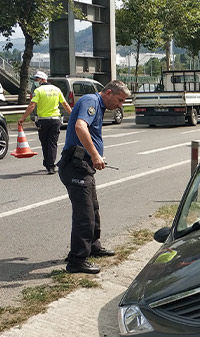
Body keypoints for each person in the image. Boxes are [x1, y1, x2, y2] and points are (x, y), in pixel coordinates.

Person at [56, 80, 130, 274]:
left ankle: (93, 246)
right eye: (120, 100)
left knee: (93, 209)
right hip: (75, 166)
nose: (120, 105)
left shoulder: (99, 105)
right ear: (108, 93)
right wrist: (95, 155)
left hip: (84, 166)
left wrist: (94, 156)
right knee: (84, 215)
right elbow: (80, 127)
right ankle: (77, 261)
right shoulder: (91, 100)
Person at [18, 71, 72, 174]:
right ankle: (50, 165)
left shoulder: (38, 91)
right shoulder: (57, 90)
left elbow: (32, 105)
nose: (35, 81)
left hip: (43, 121)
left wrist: (23, 118)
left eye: (37, 79)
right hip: (56, 120)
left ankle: (48, 163)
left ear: (42, 80)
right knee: (52, 143)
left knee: (45, 143)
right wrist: (73, 115)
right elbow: (65, 104)